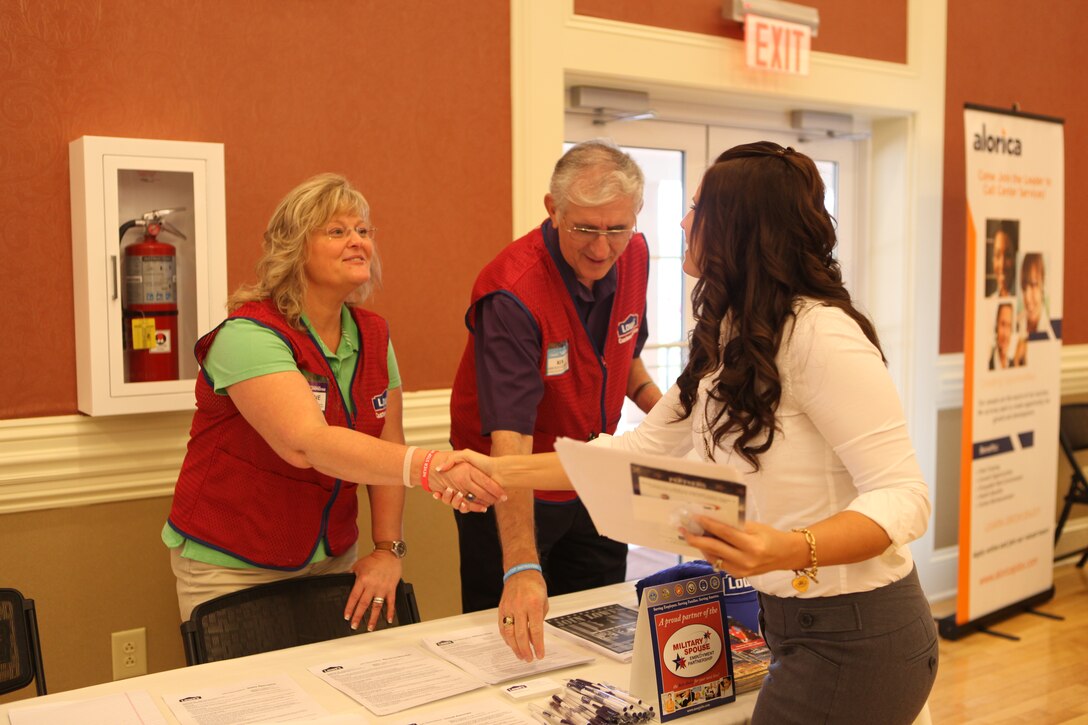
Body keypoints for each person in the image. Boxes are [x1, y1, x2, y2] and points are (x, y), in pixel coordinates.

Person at [447, 143, 937, 723]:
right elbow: (633, 453)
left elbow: (906, 497)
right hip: (791, 625)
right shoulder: (730, 331)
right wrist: (489, 471)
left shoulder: (820, 335)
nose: (681, 221)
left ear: (740, 229)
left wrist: (788, 547)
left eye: (698, 208)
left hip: (856, 635)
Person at [163, 173, 504, 630]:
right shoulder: (249, 335)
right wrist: (434, 467)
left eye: (363, 231)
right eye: (337, 231)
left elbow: (388, 442)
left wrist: (387, 549)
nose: (358, 242)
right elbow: (306, 444)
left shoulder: (374, 335)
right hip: (232, 567)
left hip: (330, 558)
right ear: (293, 248)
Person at [448, 140, 663, 657]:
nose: (601, 248)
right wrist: (521, 564)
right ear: (553, 209)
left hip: (592, 475)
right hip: (509, 482)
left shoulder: (634, 254)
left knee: (602, 627)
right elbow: (510, 442)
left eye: (617, 228)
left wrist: (683, 424)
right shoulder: (512, 292)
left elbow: (624, 356)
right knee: (511, 635)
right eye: (585, 228)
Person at [1018, 252, 1051, 341]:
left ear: (1043, 285)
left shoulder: (1051, 332)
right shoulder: (1017, 322)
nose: (1028, 298)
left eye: (1033, 285)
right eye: (1024, 288)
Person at [989, 224, 1016, 297]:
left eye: (1008, 255)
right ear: (993, 260)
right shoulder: (991, 299)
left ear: (1015, 258)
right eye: (997, 255)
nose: (1002, 265)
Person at [989, 302, 1016, 369]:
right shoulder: (987, 366)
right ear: (996, 326)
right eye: (1003, 324)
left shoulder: (1014, 365)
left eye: (1009, 326)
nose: (1005, 334)